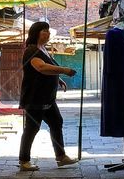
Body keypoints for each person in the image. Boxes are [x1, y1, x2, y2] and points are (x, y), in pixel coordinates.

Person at [18, 21, 79, 171]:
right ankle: (24, 161)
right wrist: (63, 70)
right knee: (32, 128)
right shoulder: (32, 50)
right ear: (36, 33)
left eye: (48, 31)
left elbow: (48, 67)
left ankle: (61, 156)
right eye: (44, 30)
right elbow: (41, 67)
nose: (47, 33)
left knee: (56, 122)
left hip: (48, 98)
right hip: (35, 98)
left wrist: (58, 79)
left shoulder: (43, 49)